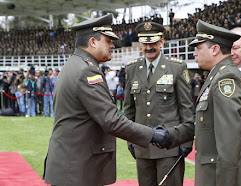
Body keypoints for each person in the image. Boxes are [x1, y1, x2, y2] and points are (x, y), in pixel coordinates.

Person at [43, 13, 171, 186]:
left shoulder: (75, 64)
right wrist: (153, 135)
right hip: (78, 168)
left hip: (72, 164)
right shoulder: (87, 71)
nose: (113, 45)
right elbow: (111, 120)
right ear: (93, 42)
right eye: (108, 41)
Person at [164, 20, 241, 186]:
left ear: (215, 49)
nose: (195, 53)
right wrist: (168, 136)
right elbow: (203, 123)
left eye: (198, 48)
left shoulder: (226, 79)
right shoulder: (216, 76)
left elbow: (229, 142)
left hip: (225, 178)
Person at [124, 22, 194, 186]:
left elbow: (186, 109)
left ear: (162, 42)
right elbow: (129, 110)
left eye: (153, 43)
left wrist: (186, 142)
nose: (149, 47)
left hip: (170, 147)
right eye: (145, 43)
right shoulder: (132, 69)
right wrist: (130, 141)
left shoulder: (176, 67)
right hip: (142, 146)